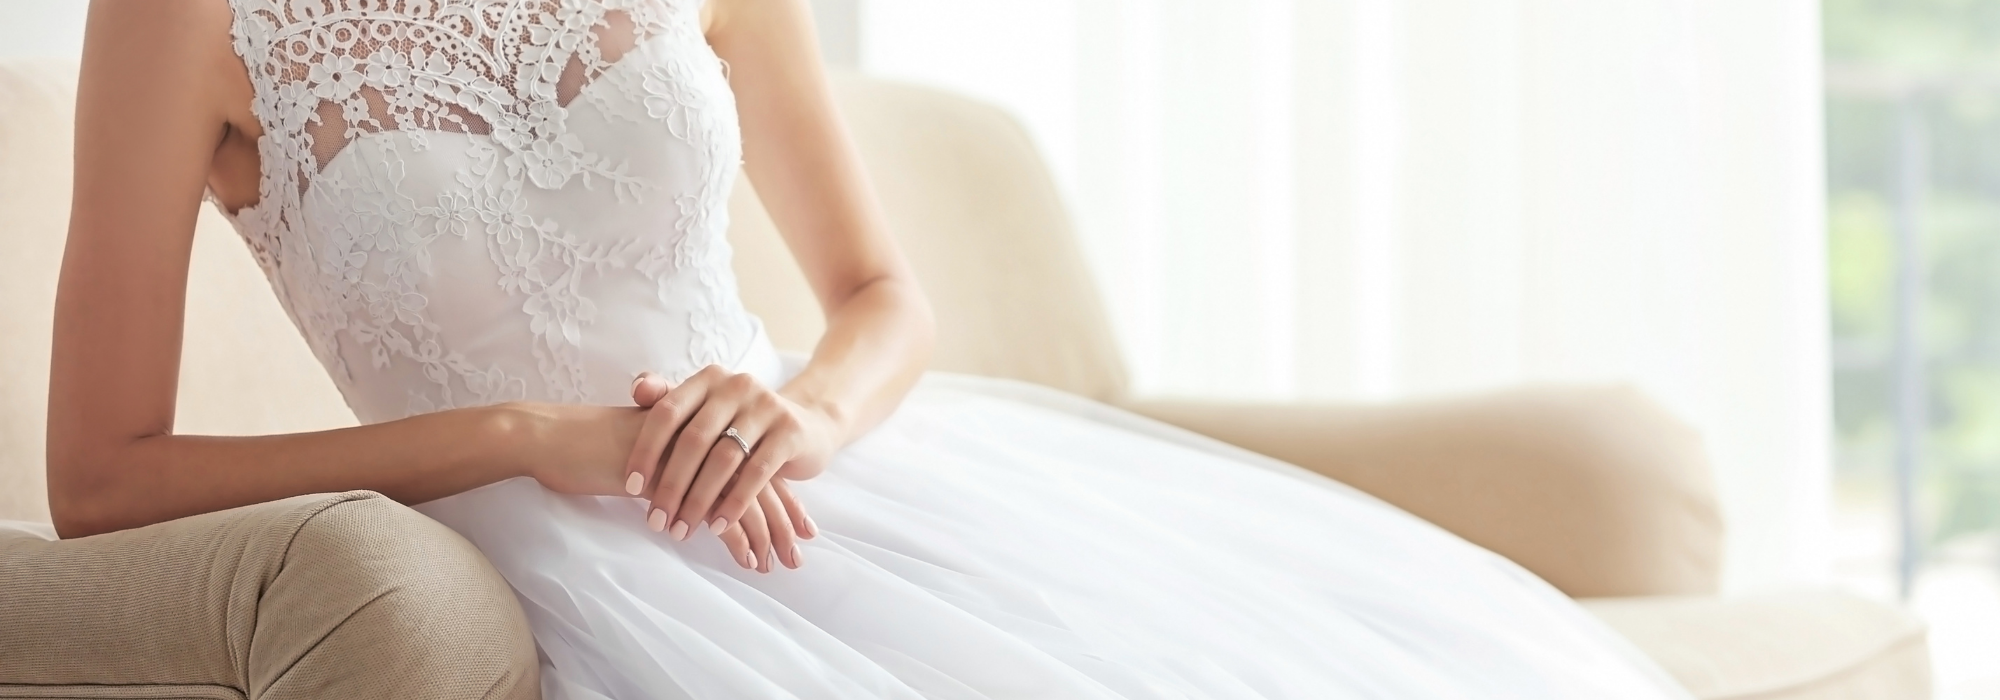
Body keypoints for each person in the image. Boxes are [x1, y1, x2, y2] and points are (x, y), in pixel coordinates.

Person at [47, 0, 1693, 697]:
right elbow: (103, 477)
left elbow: (882, 295)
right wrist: (527, 436)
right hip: (554, 559)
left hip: (842, 485)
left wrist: (810, 415)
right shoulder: (184, 21)